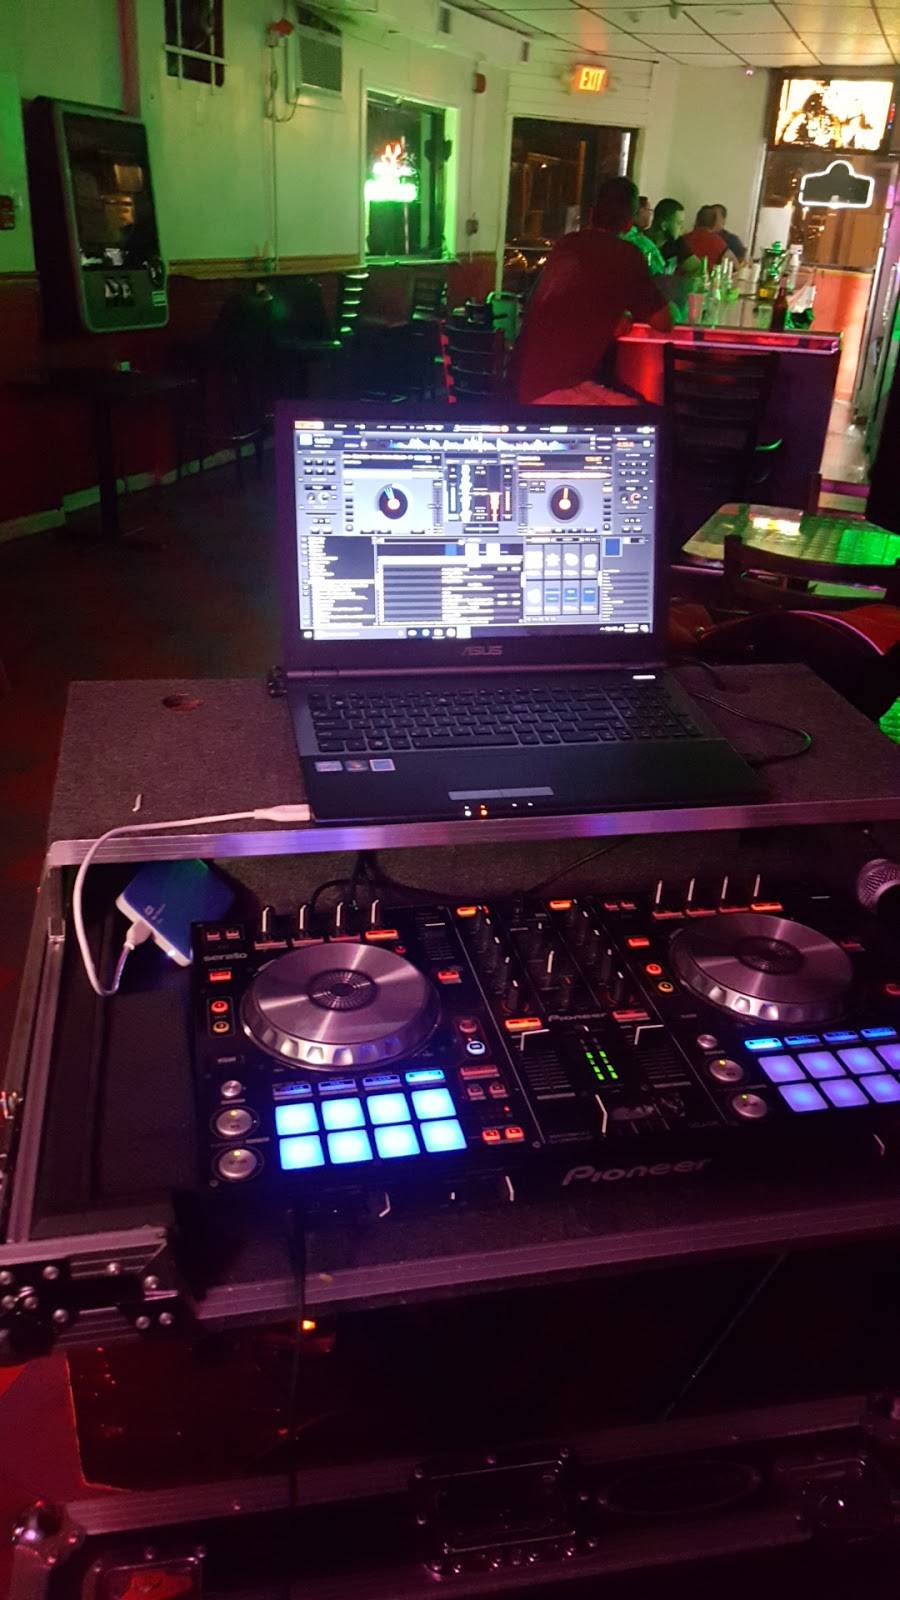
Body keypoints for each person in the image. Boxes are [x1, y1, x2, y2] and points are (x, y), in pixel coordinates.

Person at [510, 176, 671, 403]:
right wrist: (628, 316)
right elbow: (664, 322)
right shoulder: (626, 255)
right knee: (647, 414)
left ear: (592, 213)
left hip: (525, 383)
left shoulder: (566, 244)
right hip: (559, 390)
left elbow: (569, 302)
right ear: (629, 222)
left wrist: (612, 317)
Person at [647, 197, 686, 266]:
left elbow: (697, 268)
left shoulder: (677, 243)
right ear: (664, 225)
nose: (682, 227)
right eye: (679, 223)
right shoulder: (640, 245)